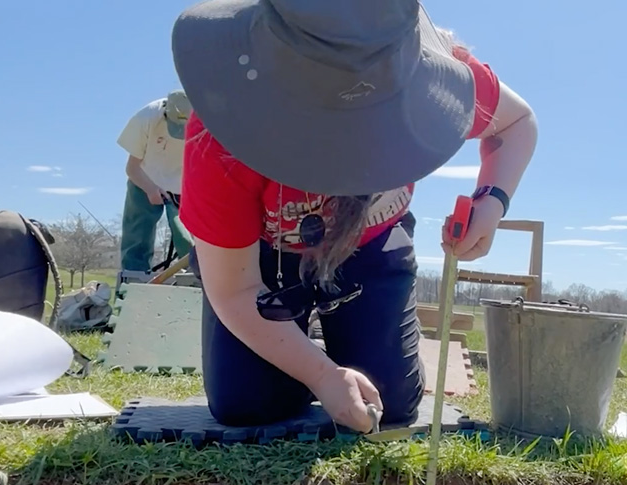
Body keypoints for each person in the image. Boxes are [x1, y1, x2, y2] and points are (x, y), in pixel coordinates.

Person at [171, 0, 538, 434]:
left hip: (371, 245)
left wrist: (491, 200)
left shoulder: (440, 77)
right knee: (249, 404)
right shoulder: (220, 134)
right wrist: (322, 375)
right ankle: (312, 349)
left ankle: (351, 332)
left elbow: (517, 124)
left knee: (391, 404)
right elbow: (235, 291)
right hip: (264, 261)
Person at [116, 90, 195, 272]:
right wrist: (151, 189)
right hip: (144, 178)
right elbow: (132, 168)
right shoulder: (146, 118)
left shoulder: (209, 122)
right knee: (137, 237)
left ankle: (198, 278)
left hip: (186, 184)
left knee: (192, 238)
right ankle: (132, 278)